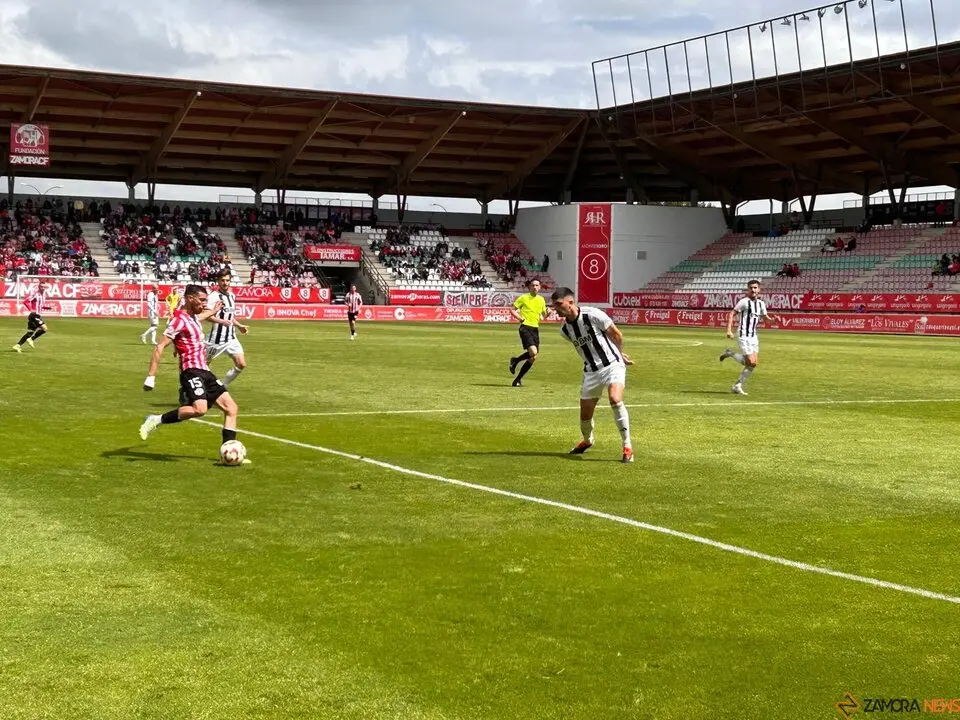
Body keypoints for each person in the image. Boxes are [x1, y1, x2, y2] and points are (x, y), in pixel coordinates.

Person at [139, 284, 247, 462]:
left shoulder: (194, 318)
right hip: (191, 371)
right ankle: (155, 420)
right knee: (200, 409)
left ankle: (229, 449)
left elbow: (201, 317)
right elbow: (160, 346)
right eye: (202, 300)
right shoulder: (178, 320)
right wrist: (151, 376)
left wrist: (214, 310)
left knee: (231, 408)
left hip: (205, 370)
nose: (204, 304)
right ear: (190, 299)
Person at [550, 287, 634, 463]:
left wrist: (620, 354)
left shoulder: (593, 314)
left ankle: (627, 447)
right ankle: (587, 441)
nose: (555, 308)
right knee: (585, 416)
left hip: (612, 365)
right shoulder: (564, 330)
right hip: (591, 372)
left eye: (558, 304)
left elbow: (616, 335)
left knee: (615, 399)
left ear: (570, 302)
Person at [720, 280, 782, 395]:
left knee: (753, 364)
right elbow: (731, 314)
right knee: (750, 361)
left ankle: (737, 385)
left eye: (755, 288)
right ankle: (730, 353)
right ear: (748, 289)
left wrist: (774, 320)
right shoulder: (744, 302)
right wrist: (729, 330)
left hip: (753, 336)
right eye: (751, 288)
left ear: (759, 289)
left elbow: (766, 319)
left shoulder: (761, 304)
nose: (753, 290)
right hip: (743, 335)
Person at [205, 271, 248, 387]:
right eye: (222, 280)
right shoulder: (213, 296)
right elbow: (206, 315)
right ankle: (188, 390)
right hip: (216, 340)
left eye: (227, 280)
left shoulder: (231, 296)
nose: (225, 283)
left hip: (231, 338)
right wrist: (221, 321)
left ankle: (223, 386)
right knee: (202, 365)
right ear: (218, 281)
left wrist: (239, 326)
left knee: (241, 364)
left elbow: (229, 316)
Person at [508, 278, 549, 387]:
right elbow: (512, 310)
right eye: (533, 285)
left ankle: (517, 379)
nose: (535, 287)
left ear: (539, 287)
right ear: (529, 287)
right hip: (525, 327)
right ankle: (515, 361)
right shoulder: (524, 298)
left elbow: (542, 316)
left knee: (533, 357)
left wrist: (548, 313)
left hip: (535, 329)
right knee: (533, 352)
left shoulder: (541, 300)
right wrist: (520, 318)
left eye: (537, 285)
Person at [12, 280, 49, 353]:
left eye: (44, 287)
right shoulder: (36, 294)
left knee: (30, 332)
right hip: (34, 315)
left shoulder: (44, 295)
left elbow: (41, 306)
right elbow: (25, 301)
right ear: (39, 287)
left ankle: (17, 345)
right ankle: (31, 339)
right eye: (41, 287)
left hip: (36, 315)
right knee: (44, 328)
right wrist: (31, 309)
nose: (43, 288)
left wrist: (47, 308)